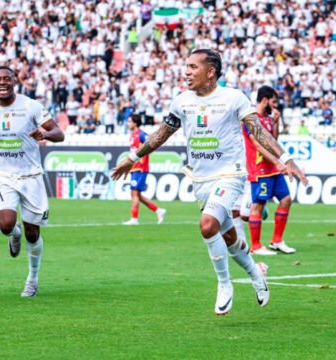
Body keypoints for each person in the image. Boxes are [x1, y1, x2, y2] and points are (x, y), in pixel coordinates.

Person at [112, 49, 308, 315]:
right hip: (201, 178)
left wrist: (287, 159)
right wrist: (133, 157)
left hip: (231, 173)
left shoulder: (233, 98)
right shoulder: (182, 101)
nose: (187, 72)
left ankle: (224, 284)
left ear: (211, 72)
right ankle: (257, 273)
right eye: (186, 66)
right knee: (228, 235)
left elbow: (257, 130)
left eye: (193, 67)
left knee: (207, 225)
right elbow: (162, 134)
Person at [0, 66, 64, 297]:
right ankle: (13, 235)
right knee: (6, 224)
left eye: (7, 78)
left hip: (31, 177)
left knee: (33, 234)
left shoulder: (31, 106)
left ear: (14, 81)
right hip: (3, 177)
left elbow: (59, 133)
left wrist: (44, 134)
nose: (2, 82)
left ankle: (32, 279)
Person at [245, 86, 297, 255]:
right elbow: (258, 145)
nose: (275, 106)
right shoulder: (250, 119)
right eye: (273, 102)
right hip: (259, 168)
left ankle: (277, 240)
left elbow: (273, 141)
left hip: (273, 169)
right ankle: (256, 245)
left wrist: (276, 121)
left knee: (286, 199)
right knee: (258, 205)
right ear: (265, 100)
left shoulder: (267, 118)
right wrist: (279, 162)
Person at [123, 114, 166, 225]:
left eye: (129, 121)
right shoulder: (132, 135)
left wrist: (144, 157)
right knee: (137, 195)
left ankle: (134, 219)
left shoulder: (141, 135)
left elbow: (152, 144)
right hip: (134, 168)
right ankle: (158, 210)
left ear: (135, 123)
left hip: (141, 168)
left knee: (134, 193)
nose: (128, 123)